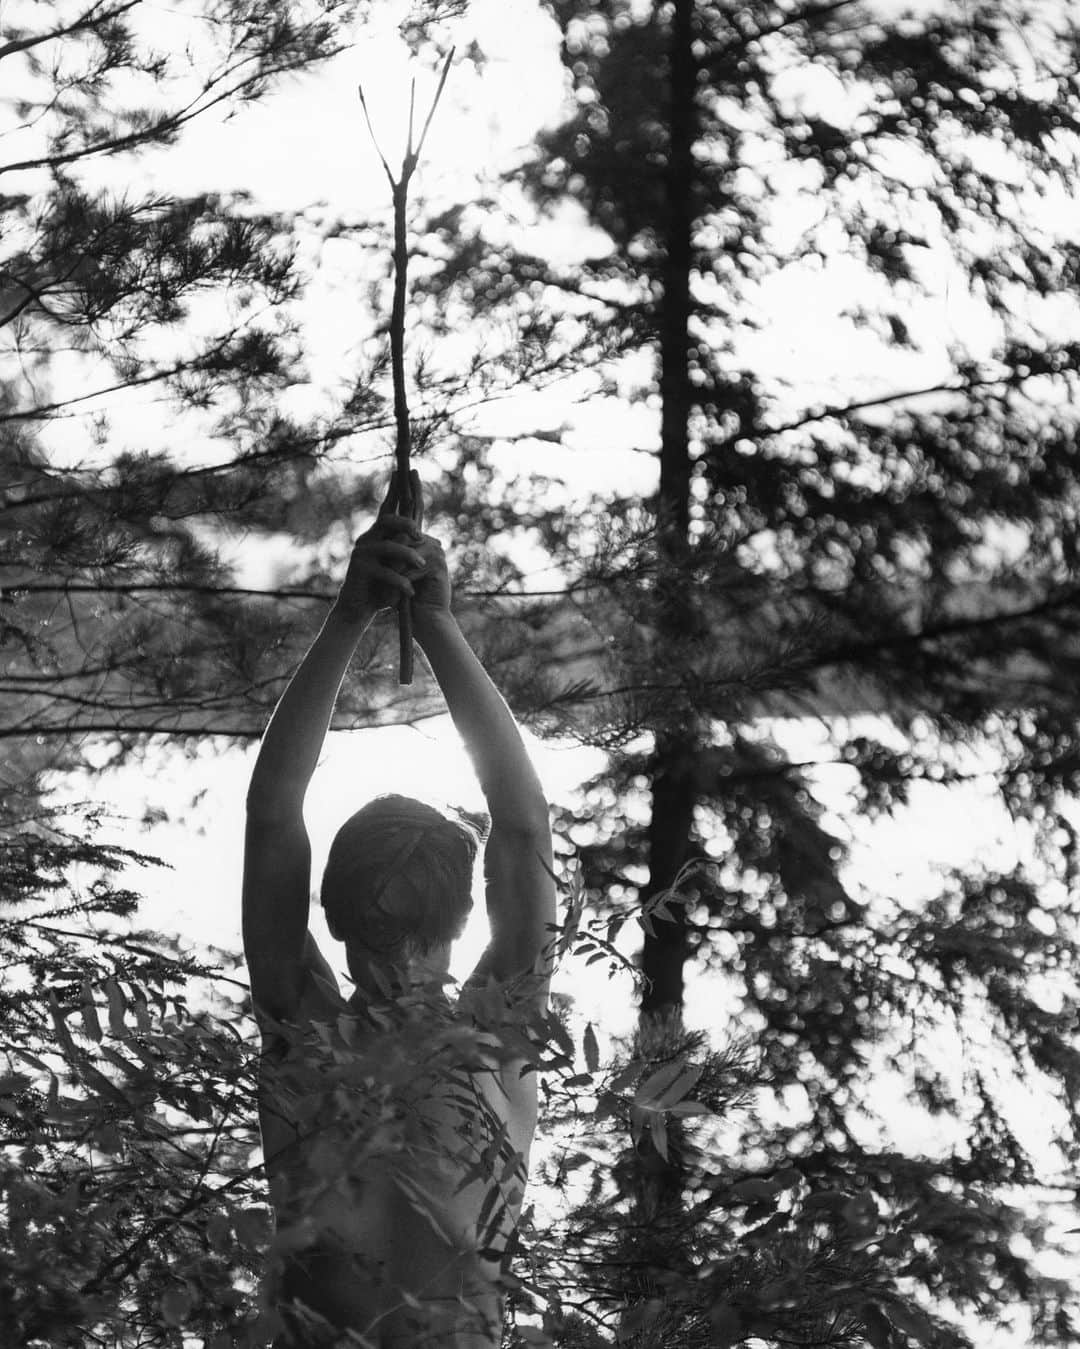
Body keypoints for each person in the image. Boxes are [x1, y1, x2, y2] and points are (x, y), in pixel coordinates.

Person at [242, 473, 555, 1348]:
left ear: (458, 923)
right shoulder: (306, 1028)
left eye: (410, 936)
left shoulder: (495, 1037)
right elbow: (273, 814)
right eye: (380, 936)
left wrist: (435, 626)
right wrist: (352, 617)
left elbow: (524, 826)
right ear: (337, 925)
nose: (394, 965)